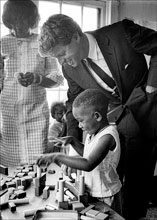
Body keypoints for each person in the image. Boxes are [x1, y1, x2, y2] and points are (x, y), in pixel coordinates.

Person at [38, 14, 157, 220]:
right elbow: (73, 101)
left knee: (139, 184)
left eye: (63, 53)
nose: (62, 62)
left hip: (148, 116)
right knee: (114, 187)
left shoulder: (121, 33)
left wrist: (152, 86)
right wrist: (71, 144)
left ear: (76, 36)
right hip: (114, 127)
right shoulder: (68, 68)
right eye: (57, 57)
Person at [0, 0, 63, 167]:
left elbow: (57, 78)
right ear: (8, 21)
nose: (20, 26)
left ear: (31, 20)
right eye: (15, 22)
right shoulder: (2, 44)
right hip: (8, 116)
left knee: (38, 165)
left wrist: (38, 78)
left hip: (36, 114)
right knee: (10, 168)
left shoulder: (42, 43)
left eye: (25, 21)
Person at [37, 89, 122, 210]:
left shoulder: (108, 136)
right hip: (92, 191)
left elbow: (88, 163)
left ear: (97, 116)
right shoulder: (92, 133)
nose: (79, 125)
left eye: (81, 121)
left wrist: (56, 156)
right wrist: (72, 140)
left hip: (106, 194)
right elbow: (87, 154)